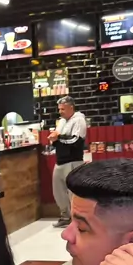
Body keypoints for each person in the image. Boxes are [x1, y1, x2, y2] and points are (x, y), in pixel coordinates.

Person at [48, 96, 87, 229]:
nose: (60, 112)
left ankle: (77, 219)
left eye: (63, 109)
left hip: (73, 161)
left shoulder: (79, 120)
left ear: (71, 107)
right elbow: (58, 138)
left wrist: (57, 137)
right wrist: (54, 138)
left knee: (73, 193)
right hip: (60, 161)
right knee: (58, 191)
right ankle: (65, 216)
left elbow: (76, 141)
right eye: (59, 109)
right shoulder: (61, 121)